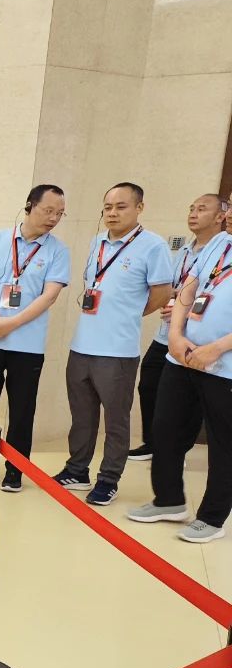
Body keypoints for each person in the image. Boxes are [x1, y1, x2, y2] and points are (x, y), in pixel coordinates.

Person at [49, 183, 173, 505]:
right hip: (82, 345)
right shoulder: (98, 241)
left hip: (117, 351)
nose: (113, 213)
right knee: (82, 416)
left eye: (121, 206)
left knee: (116, 421)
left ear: (139, 208)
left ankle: (108, 479)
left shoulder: (153, 246)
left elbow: (162, 293)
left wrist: (129, 313)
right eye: (108, 207)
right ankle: (77, 469)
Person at [0, 184, 70, 492]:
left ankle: (16, 468)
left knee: (22, 409)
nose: (54, 218)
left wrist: (12, 323)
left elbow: (49, 296)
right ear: (30, 205)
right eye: (48, 210)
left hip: (26, 345)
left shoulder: (58, 251)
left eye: (60, 213)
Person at [128, 230, 232, 543]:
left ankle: (212, 518)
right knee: (165, 429)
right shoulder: (220, 242)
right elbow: (190, 286)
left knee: (223, 444)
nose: (229, 214)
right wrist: (175, 334)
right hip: (182, 355)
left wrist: (217, 348)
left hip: (225, 367)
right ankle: (168, 500)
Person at [133, 195, 231, 460]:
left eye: (202, 209)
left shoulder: (220, 247)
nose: (193, 214)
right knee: (149, 384)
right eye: (191, 208)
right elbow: (180, 288)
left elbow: (210, 293)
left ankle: (179, 449)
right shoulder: (185, 249)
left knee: (195, 399)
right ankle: (154, 443)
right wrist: (175, 302)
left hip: (199, 339)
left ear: (220, 217)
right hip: (168, 335)